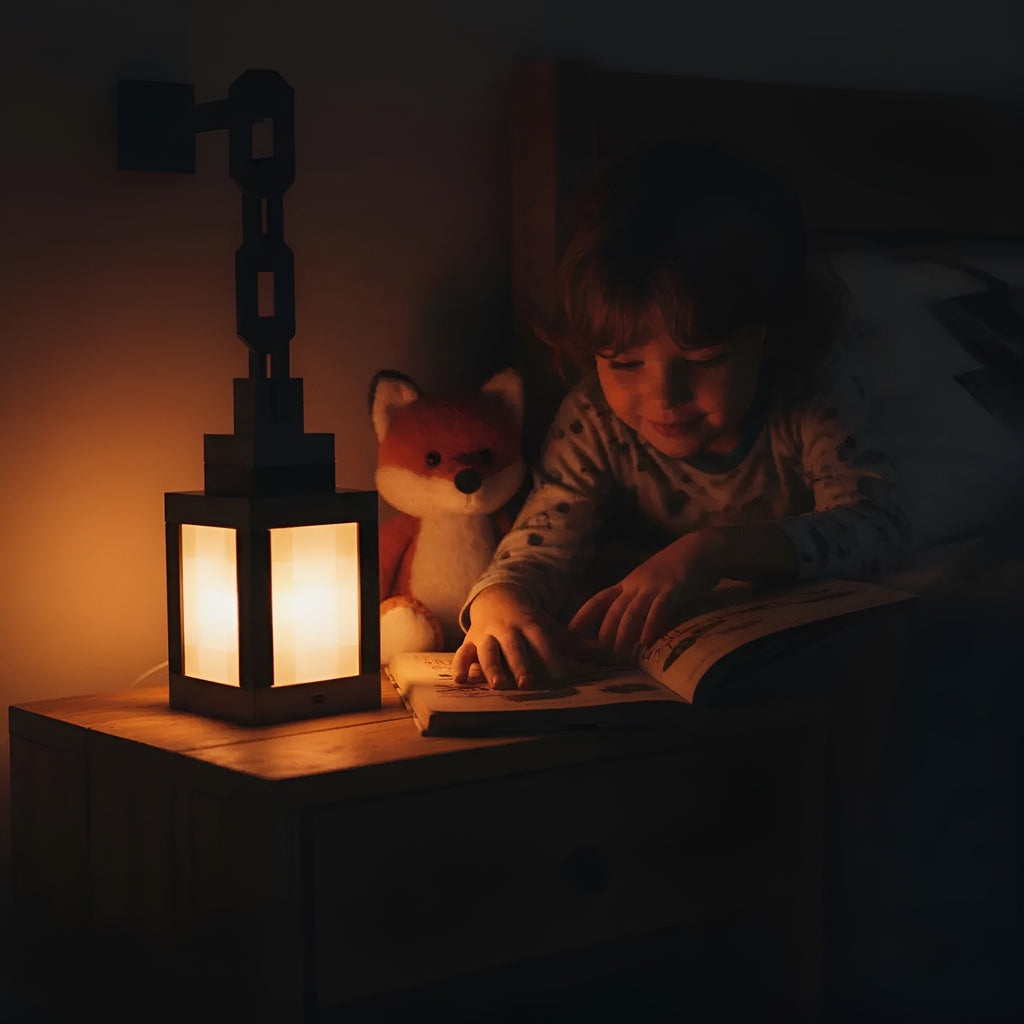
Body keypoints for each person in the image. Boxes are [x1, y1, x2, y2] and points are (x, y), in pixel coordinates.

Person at [453, 141, 913, 690]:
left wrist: (714, 550)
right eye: (624, 363)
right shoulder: (595, 419)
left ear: (764, 334)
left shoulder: (810, 394)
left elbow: (879, 531)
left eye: (703, 360)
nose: (663, 396)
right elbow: (543, 543)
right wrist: (498, 605)